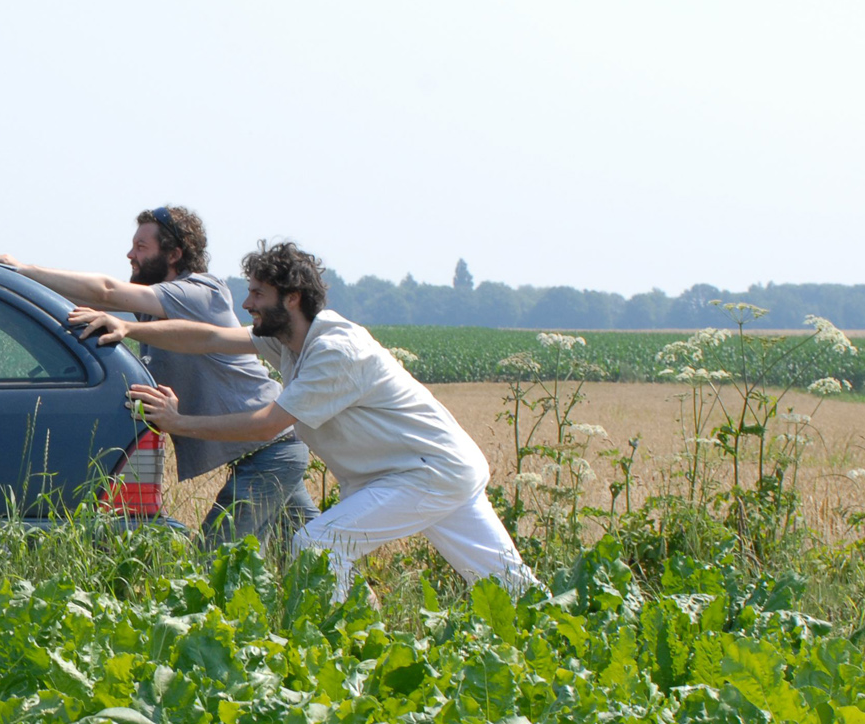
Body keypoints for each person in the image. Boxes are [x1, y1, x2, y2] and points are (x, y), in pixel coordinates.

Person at [72, 240, 533, 601]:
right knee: (512, 589)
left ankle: (333, 653)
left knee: (318, 545)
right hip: (424, 472)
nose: (247, 303)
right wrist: (130, 328)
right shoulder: (289, 339)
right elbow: (211, 336)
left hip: (427, 472)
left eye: (257, 294)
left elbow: (265, 425)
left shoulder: (333, 351)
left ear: (291, 298)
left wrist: (178, 421)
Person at [0, 205, 315, 548]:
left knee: (213, 562)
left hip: (268, 450)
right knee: (318, 558)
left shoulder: (199, 292)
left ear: (174, 254)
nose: (130, 255)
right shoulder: (153, 305)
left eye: (141, 247)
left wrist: (21, 270)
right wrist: (17, 284)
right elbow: (90, 294)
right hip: (272, 449)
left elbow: (105, 292)